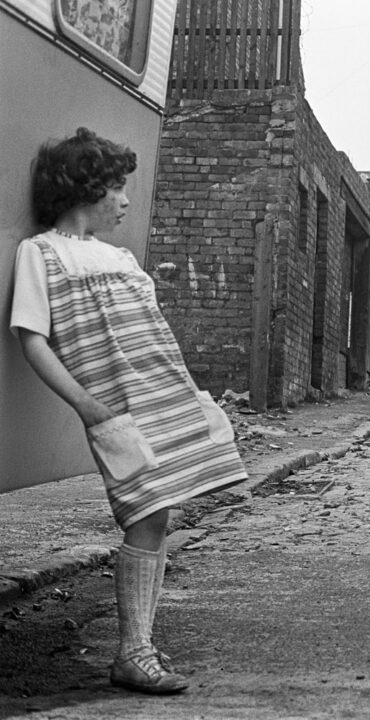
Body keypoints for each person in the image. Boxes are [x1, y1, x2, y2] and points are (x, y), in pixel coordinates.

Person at [9, 128, 248, 694]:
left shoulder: (120, 257)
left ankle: (139, 644)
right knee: (143, 512)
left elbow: (152, 336)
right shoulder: (41, 253)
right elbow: (33, 338)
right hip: (113, 407)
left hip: (162, 397)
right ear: (83, 190)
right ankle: (133, 651)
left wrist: (190, 394)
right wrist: (89, 408)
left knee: (160, 514)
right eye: (115, 188)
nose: (124, 200)